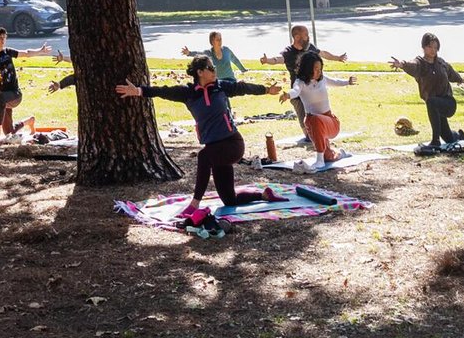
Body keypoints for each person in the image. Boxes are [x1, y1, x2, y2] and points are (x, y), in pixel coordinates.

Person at [116, 55, 287, 233]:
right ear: (200, 72)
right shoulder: (188, 93)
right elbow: (162, 91)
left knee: (204, 156)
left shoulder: (221, 87)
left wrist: (267, 90)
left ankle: (194, 203)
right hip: (215, 149)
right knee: (230, 200)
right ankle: (264, 195)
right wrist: (138, 91)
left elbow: (242, 87)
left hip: (232, 144)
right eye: (211, 68)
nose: (215, 71)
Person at [391, 34, 464, 155]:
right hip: (436, 107)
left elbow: (453, 74)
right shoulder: (420, 63)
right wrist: (401, 64)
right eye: (430, 47)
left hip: (448, 103)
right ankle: (459, 135)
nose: (433, 50)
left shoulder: (442, 63)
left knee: (431, 101)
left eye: (435, 47)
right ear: (423, 47)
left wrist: (461, 79)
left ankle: (435, 141)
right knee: (448, 137)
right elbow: (412, 65)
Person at [294, 52, 356, 165]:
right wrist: (287, 95)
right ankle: (340, 153)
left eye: (320, 68)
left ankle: (319, 160)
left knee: (315, 119)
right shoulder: (300, 83)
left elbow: (335, 82)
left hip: (330, 122)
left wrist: (348, 82)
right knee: (329, 156)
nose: (319, 71)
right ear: (308, 69)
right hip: (312, 124)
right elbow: (295, 91)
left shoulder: (322, 79)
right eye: (316, 69)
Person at [181, 28, 249, 84]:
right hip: (218, 81)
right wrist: (189, 53)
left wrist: (243, 69)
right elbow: (198, 54)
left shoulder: (226, 50)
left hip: (230, 80)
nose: (220, 41)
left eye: (220, 39)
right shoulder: (208, 53)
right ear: (212, 42)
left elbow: (235, 60)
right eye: (217, 40)